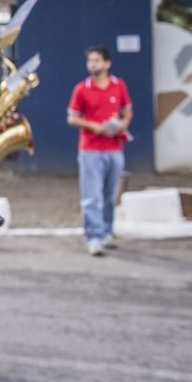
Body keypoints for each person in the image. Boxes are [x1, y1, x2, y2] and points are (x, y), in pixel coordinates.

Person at [67, 45, 133, 256]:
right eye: (90, 61)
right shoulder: (81, 89)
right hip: (91, 149)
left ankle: (106, 232)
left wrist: (122, 124)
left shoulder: (119, 85)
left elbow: (127, 111)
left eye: (96, 60)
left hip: (115, 148)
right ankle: (93, 237)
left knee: (109, 195)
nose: (92, 64)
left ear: (107, 63)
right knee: (91, 196)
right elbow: (72, 118)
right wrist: (94, 126)